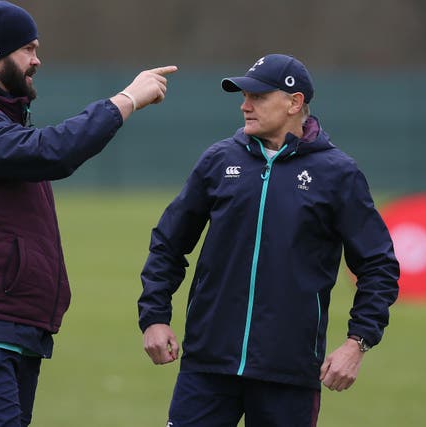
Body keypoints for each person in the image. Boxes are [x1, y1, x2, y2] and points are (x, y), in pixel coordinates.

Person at [0, 1, 176, 425]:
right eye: (28, 49)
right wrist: (125, 101)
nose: (37, 59)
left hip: (9, 324)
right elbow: (51, 152)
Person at [138, 53, 399, 426]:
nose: (245, 106)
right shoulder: (217, 161)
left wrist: (357, 343)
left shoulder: (338, 174)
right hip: (208, 366)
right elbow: (168, 242)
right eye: (244, 96)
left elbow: (378, 265)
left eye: (258, 97)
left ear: (295, 102)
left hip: (289, 373)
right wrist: (154, 317)